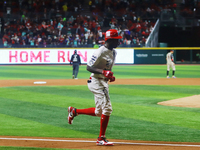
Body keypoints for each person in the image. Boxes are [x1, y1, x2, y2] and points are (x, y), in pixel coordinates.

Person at [67, 29, 122, 146]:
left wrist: (109, 75)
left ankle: (74, 111)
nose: (119, 42)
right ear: (109, 40)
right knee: (107, 108)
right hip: (96, 81)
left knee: (99, 112)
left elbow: (108, 69)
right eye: (116, 40)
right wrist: (103, 72)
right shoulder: (100, 52)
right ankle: (101, 138)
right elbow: (89, 67)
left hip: (103, 82)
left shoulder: (114, 52)